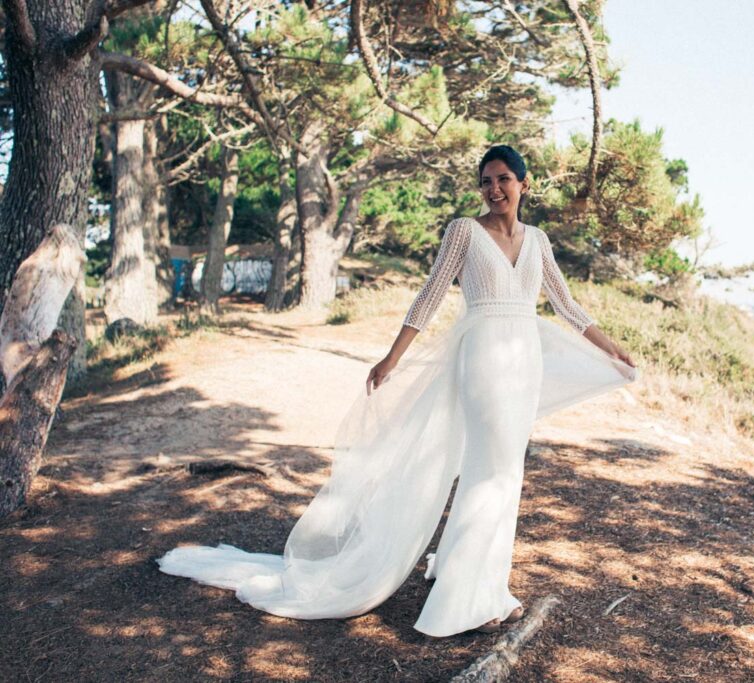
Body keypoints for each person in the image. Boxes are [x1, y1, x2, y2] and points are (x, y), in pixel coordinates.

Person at [156, 144, 639, 638]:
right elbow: (430, 294)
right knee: (489, 475)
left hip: (524, 364)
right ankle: (468, 599)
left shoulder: (537, 240)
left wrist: (613, 349)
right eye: (487, 181)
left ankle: (466, 572)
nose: (494, 190)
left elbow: (566, 304)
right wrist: (392, 357)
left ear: (524, 183)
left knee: (502, 473)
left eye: (504, 180)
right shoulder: (464, 231)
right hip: (483, 361)